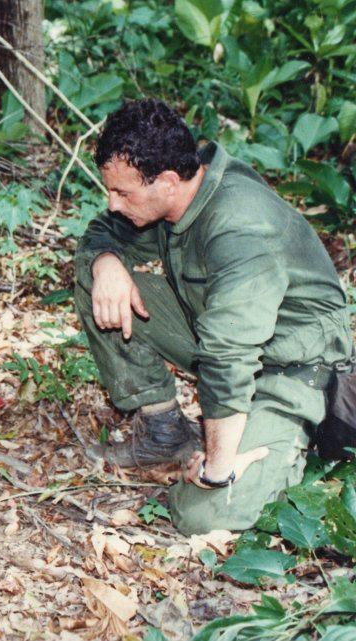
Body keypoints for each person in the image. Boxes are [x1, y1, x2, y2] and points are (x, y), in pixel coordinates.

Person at [74, 99, 353, 535]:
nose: (112, 204)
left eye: (122, 193)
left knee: (203, 514)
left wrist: (218, 467)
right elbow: (104, 232)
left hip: (292, 369)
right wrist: (106, 262)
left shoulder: (239, 225)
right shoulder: (177, 194)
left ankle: (285, 443)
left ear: (168, 181)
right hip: (221, 337)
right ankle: (164, 432)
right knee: (98, 282)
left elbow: (228, 354)